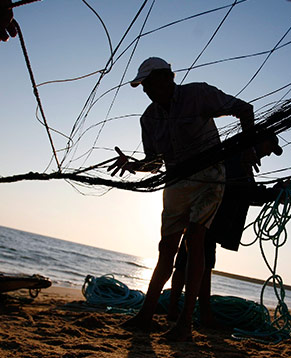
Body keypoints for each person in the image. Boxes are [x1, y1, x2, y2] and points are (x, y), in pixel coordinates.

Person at [109, 57, 259, 341]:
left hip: (209, 177)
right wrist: (132, 166)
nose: (146, 91)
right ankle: (145, 315)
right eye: (143, 86)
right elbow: (154, 162)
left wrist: (249, 146)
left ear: (168, 78)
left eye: (149, 83)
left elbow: (243, 109)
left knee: (195, 238)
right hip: (176, 181)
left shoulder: (197, 94)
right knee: (166, 248)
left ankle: (184, 324)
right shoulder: (148, 118)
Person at [167, 130, 291, 326]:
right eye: (269, 148)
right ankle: (202, 314)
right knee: (203, 264)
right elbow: (243, 190)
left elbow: (247, 191)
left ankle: (175, 310)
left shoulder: (240, 157)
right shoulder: (237, 157)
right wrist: (274, 193)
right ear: (260, 141)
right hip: (210, 216)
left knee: (185, 261)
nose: (268, 154)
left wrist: (276, 190)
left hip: (203, 214)